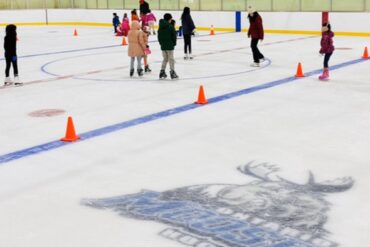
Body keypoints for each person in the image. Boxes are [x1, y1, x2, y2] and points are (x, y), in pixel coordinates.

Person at [158, 13, 178, 79]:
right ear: (169, 19)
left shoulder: (160, 26)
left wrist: (161, 43)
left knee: (165, 59)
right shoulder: (170, 27)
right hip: (169, 46)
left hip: (163, 46)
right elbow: (174, 36)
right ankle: (172, 72)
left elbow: (159, 37)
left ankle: (162, 71)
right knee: (171, 59)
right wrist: (174, 43)